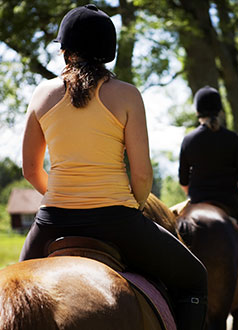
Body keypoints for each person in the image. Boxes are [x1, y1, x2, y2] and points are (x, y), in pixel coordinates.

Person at [20, 5, 207, 330]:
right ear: (108, 51)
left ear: (65, 50)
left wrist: (60, 196)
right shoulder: (127, 95)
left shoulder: (42, 94)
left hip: (54, 220)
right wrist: (132, 206)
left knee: (14, 289)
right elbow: (142, 174)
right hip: (117, 219)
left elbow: (29, 169)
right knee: (194, 279)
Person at [178, 85, 238, 308]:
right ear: (219, 110)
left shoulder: (188, 140)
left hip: (197, 201)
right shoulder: (232, 139)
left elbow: (183, 181)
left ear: (197, 112)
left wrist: (193, 195)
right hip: (229, 203)